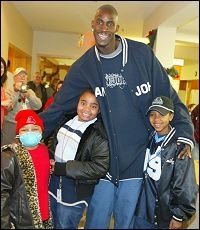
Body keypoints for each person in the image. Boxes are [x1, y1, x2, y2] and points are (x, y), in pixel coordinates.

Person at [39, 4, 194, 228]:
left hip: (137, 164)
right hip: (105, 165)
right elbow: (59, 106)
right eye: (99, 22)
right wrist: (30, 131)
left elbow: (170, 97)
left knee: (126, 222)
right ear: (92, 24)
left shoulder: (142, 55)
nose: (104, 28)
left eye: (109, 23)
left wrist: (185, 134)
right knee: (97, 222)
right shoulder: (84, 66)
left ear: (117, 27)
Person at [48, 88, 109, 229]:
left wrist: (62, 168)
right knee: (50, 223)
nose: (87, 109)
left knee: (65, 225)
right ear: (77, 103)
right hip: (53, 185)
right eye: (83, 103)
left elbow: (99, 167)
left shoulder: (99, 133)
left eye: (93, 106)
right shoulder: (66, 120)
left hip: (74, 192)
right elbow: (54, 143)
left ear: (99, 110)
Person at [133, 96, 197, 229]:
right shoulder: (149, 138)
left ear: (171, 116)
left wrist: (178, 215)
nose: (156, 119)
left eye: (162, 114)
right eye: (152, 114)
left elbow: (185, 184)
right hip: (142, 211)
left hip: (163, 216)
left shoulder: (180, 147)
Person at [1, 109, 53, 229]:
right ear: (18, 133)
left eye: (35, 129)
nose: (30, 133)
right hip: (21, 220)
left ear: (41, 131)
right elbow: (3, 194)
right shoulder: (10, 156)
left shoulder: (45, 150)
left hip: (45, 215)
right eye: (24, 129)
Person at [1, 67, 42, 145]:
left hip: (26, 126)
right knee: (8, 148)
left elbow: (38, 106)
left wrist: (29, 95)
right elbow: (7, 108)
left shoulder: (30, 91)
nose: (22, 77)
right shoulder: (8, 90)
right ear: (14, 78)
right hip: (11, 125)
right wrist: (16, 92)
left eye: (24, 75)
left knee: (24, 149)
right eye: (19, 75)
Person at [1, 57, 12, 138]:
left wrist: (8, 105)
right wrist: (2, 103)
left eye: (1, 67)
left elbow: (6, 108)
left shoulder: (2, 88)